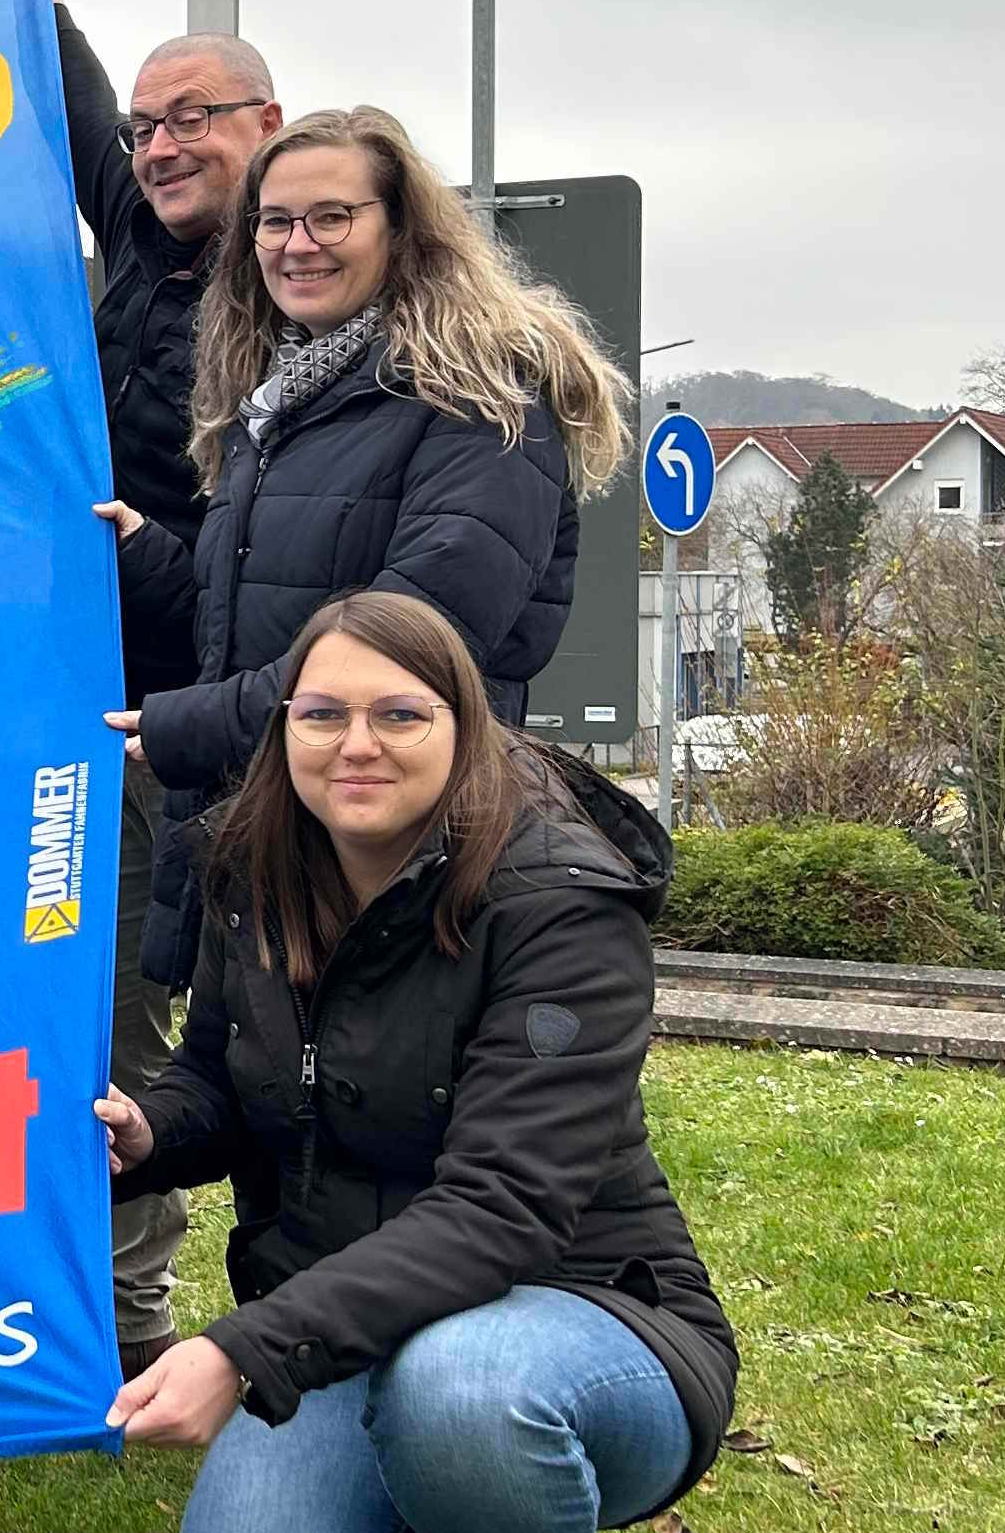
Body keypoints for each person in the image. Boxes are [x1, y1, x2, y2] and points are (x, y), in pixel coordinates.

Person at [96, 591, 735, 1533]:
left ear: (466, 726)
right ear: (282, 726)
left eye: (401, 713)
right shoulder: (253, 866)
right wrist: (148, 1133)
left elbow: (503, 1208)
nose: (356, 743)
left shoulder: (559, 902)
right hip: (349, 1326)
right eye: (321, 712)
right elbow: (227, 1082)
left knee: (463, 1391)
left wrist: (239, 1349)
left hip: (582, 1318)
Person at [106, 105, 630, 996]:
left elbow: (412, 642)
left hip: (397, 849)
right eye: (273, 220)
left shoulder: (477, 395)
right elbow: (269, 610)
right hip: (278, 836)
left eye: (330, 218)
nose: (296, 244)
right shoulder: (286, 401)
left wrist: (190, 726)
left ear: (404, 230)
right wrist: (140, 552)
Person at [54, 0, 283, 1377]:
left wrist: (153, 558)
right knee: (105, 1004)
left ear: (266, 121)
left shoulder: (296, 289)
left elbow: (285, 551)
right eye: (146, 125)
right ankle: (110, 1312)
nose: (156, 144)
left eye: (190, 116)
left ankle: (157, 1320)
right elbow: (75, 109)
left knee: (200, 1014)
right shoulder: (138, 228)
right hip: (89, 694)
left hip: (216, 714)